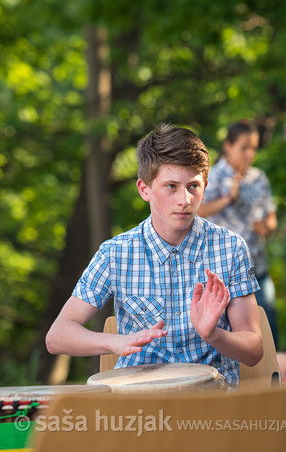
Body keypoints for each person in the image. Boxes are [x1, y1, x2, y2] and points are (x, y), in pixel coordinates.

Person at [45, 124, 263, 386]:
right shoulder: (115, 253)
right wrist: (116, 342)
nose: (184, 199)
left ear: (205, 187)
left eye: (193, 186)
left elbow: (253, 351)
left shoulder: (230, 248)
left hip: (210, 404)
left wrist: (213, 335)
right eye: (171, 186)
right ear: (144, 189)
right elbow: (57, 336)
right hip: (140, 404)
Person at [199, 120, 279, 345]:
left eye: (253, 147)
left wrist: (268, 226)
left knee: (268, 334)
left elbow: (271, 215)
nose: (249, 153)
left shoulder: (259, 178)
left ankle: (275, 379)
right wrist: (228, 199)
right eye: (244, 147)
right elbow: (198, 211)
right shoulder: (211, 176)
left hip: (258, 266)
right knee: (234, 340)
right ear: (228, 146)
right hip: (225, 274)